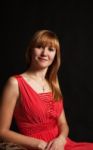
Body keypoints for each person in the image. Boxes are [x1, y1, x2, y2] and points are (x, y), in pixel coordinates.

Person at [0, 29, 93, 150]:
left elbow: (63, 124)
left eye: (51, 49)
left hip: (62, 145)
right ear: (30, 50)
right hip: (36, 147)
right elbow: (2, 131)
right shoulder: (15, 83)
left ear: (55, 55)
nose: (44, 53)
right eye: (39, 47)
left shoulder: (53, 83)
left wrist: (60, 140)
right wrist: (38, 144)